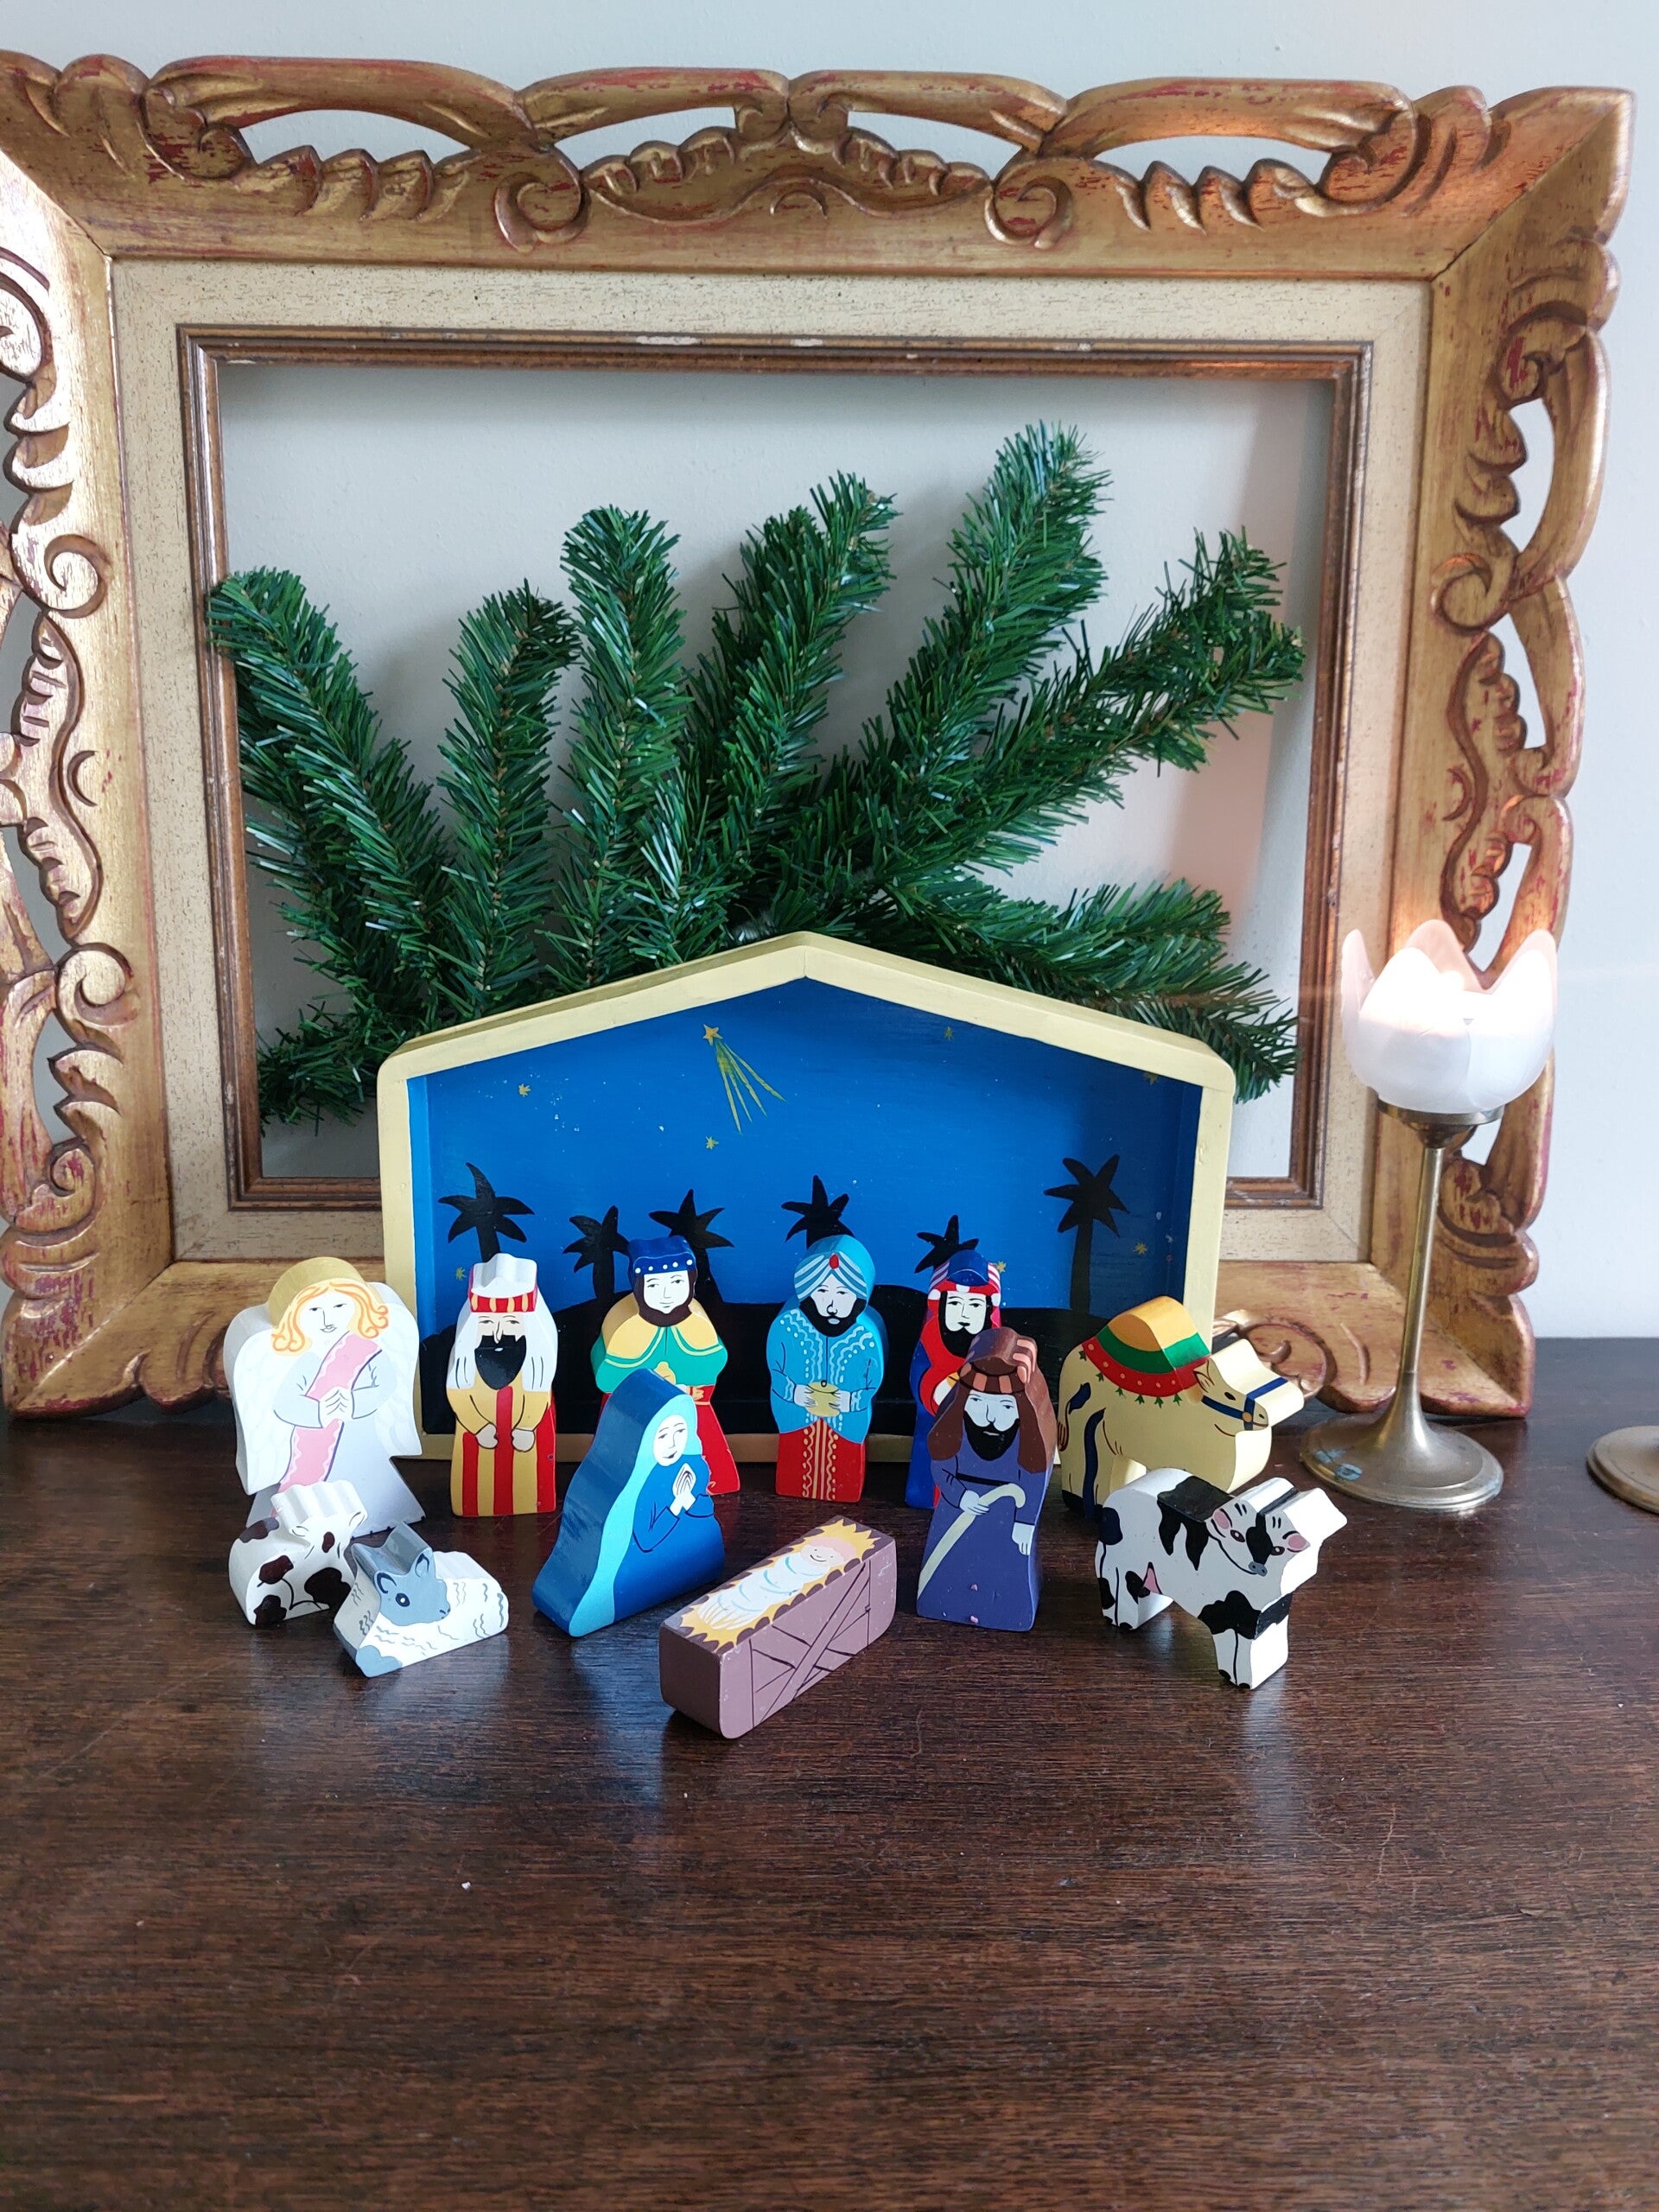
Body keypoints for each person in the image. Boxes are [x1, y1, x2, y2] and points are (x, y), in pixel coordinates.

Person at [226, 1259, 423, 1534]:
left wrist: (355, 1402)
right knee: (307, 1490)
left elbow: (386, 1383)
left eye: (339, 1307)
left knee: (366, 1476)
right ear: (295, 1315)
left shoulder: (366, 1349)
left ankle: (380, 1511)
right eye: (314, 1310)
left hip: (360, 1438)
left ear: (358, 1305)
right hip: (311, 1443)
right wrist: (319, 1411)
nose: (328, 1319)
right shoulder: (303, 1360)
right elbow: (285, 1402)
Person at [533, 1370, 725, 1637]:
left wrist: (690, 1498)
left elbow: (705, 1509)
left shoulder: (692, 1465)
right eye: (662, 1435)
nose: (672, 1443)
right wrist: (678, 1503)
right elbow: (647, 1539)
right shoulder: (637, 1486)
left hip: (694, 1560)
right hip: (633, 1576)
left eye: (680, 1431)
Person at [917, 1328, 1055, 1632]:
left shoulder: (1028, 1443)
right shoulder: (954, 1430)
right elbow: (941, 1468)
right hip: (958, 1512)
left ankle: (1006, 1610)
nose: (990, 1416)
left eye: (1005, 1407)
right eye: (978, 1402)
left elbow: (1035, 1481)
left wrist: (1025, 1522)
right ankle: (946, 1602)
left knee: (1005, 1568)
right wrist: (960, 1495)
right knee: (951, 1565)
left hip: (1005, 1518)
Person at [592, 1235, 738, 1494]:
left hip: (689, 1409)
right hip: (633, 1414)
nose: (667, 1295)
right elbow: (607, 1379)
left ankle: (703, 1485)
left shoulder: (697, 1325)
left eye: (677, 1282)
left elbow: (713, 1365)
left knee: (699, 1450)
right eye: (654, 1285)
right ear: (639, 1286)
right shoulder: (626, 1327)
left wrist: (682, 1389)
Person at [767, 1233, 886, 1503]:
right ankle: (794, 1486)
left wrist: (851, 1400)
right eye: (822, 1292)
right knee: (795, 1463)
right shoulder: (787, 1326)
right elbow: (776, 1370)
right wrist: (794, 1393)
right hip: (798, 1419)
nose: (832, 1306)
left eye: (843, 1294)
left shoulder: (865, 1336)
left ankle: (844, 1491)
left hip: (845, 1425)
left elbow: (872, 1382)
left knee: (844, 1467)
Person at [446, 1252, 560, 1516]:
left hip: (529, 1441)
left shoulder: (536, 1365)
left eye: (511, 1323)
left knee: (530, 1483)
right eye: (486, 1323)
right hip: (476, 1439)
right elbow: (459, 1396)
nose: (498, 1334)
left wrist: (527, 1427)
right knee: (476, 1487)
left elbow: (537, 1399)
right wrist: (478, 1427)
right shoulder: (465, 1363)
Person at [905, 1249, 1002, 1509]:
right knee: (928, 1467)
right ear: (941, 1305)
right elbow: (919, 1381)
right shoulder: (929, 1343)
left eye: (974, 1306)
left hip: (976, 1433)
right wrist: (942, 1388)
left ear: (988, 1309)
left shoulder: (993, 1349)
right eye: (955, 1304)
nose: (964, 1314)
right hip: (932, 1429)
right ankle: (927, 1495)